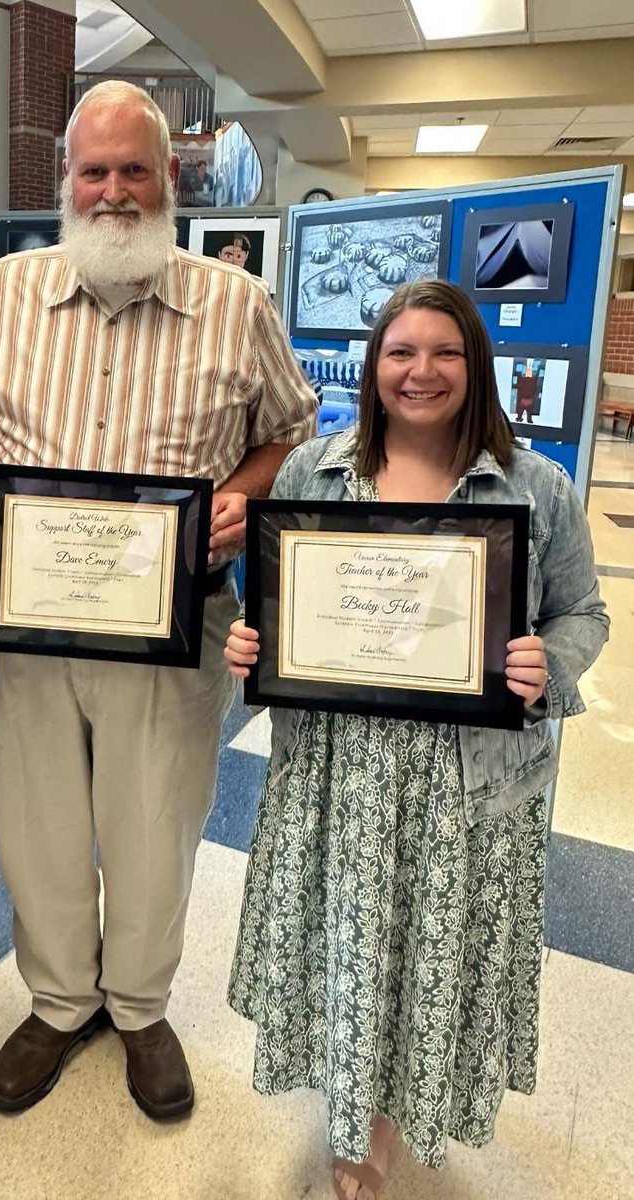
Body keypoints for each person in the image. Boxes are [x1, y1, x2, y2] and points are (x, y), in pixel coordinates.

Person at [0, 79, 318, 1120]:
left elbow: (291, 427)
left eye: (133, 170)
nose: (112, 191)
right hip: (27, 619)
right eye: (92, 170)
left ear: (170, 179)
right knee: (37, 820)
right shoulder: (7, 290)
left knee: (155, 826)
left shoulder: (235, 303)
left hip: (174, 618)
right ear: (65, 180)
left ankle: (141, 1007)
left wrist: (241, 495)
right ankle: (60, 1003)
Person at [224, 279, 608, 1199]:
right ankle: (353, 1121)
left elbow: (583, 613)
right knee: (350, 949)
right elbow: (276, 608)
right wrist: (253, 643)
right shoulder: (313, 472)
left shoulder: (536, 486)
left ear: (475, 366)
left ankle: (393, 1116)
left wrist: (543, 665)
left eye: (444, 352)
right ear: (374, 367)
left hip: (465, 784)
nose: (421, 372)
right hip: (337, 771)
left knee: (427, 955)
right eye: (401, 352)